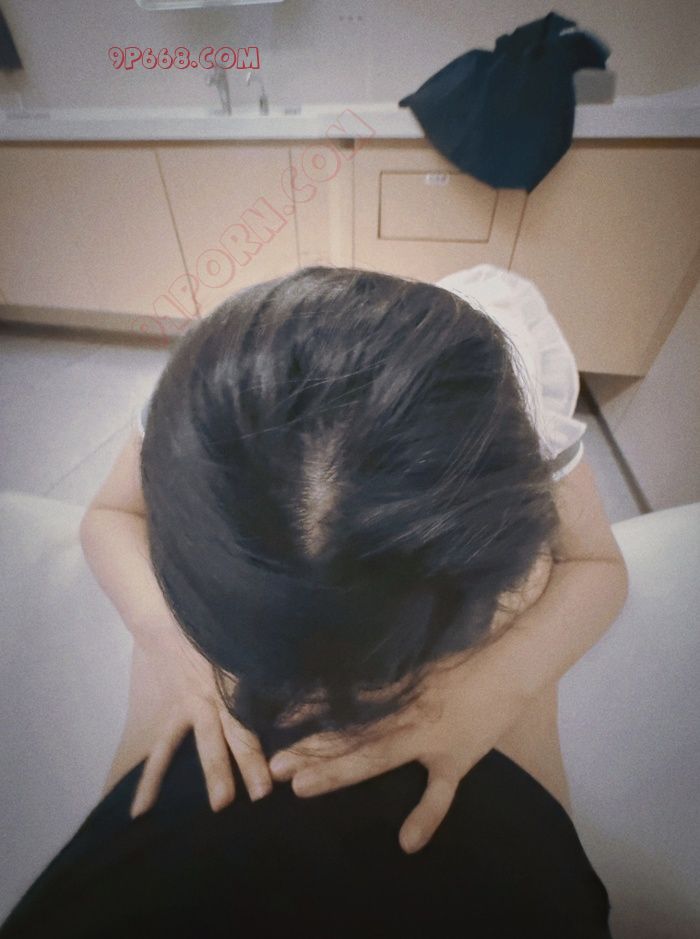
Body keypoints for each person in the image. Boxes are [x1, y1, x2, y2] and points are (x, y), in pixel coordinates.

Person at [3, 263, 626, 934]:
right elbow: (110, 516)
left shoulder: (509, 428)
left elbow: (595, 563)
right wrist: (166, 637)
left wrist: (488, 688)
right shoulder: (205, 413)